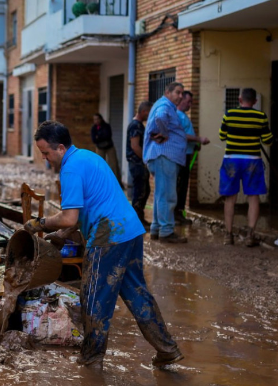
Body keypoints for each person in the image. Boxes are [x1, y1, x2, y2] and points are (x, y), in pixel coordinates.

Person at [25, 120, 183, 370]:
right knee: (137, 293)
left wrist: (41, 223)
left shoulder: (70, 170)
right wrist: (64, 233)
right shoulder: (88, 157)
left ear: (61, 148)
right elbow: (85, 210)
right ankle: (167, 349)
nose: (45, 159)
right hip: (129, 230)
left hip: (108, 236)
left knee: (94, 298)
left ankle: (91, 358)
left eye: (46, 153)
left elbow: (69, 216)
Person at [219, 88, 274, 247]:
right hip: (252, 161)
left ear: (239, 99)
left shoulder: (229, 115)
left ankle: (228, 236)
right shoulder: (260, 116)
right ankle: (250, 236)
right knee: (253, 197)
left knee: (230, 197)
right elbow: (268, 141)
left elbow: (222, 136)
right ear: (255, 101)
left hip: (231, 160)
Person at [144, 82, 188, 244]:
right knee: (168, 195)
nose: (180, 96)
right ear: (168, 92)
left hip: (162, 157)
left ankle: (157, 228)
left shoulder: (163, 104)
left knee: (160, 195)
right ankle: (167, 231)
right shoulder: (165, 105)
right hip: (165, 156)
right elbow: (160, 117)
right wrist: (164, 132)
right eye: (178, 92)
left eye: (182, 93)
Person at [175, 91, 210, 225]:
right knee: (180, 185)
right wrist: (198, 139)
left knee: (183, 185)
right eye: (188, 102)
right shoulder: (177, 115)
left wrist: (195, 145)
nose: (190, 105)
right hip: (180, 156)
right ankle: (176, 214)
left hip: (186, 153)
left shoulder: (183, 116)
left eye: (191, 102)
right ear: (181, 100)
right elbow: (181, 135)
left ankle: (178, 212)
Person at [126, 101, 153, 227]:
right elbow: (135, 146)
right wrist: (145, 159)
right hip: (137, 164)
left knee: (144, 190)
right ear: (143, 112)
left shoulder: (138, 125)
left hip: (138, 163)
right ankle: (137, 222)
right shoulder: (135, 126)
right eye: (149, 112)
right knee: (140, 191)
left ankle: (139, 220)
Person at [90, 114, 121, 182]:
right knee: (99, 164)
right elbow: (94, 140)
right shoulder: (93, 128)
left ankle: (116, 181)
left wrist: (98, 136)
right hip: (99, 147)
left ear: (101, 119)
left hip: (109, 146)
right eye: (95, 119)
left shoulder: (106, 126)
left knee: (113, 164)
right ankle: (101, 181)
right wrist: (100, 137)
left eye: (97, 119)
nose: (96, 121)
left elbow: (107, 135)